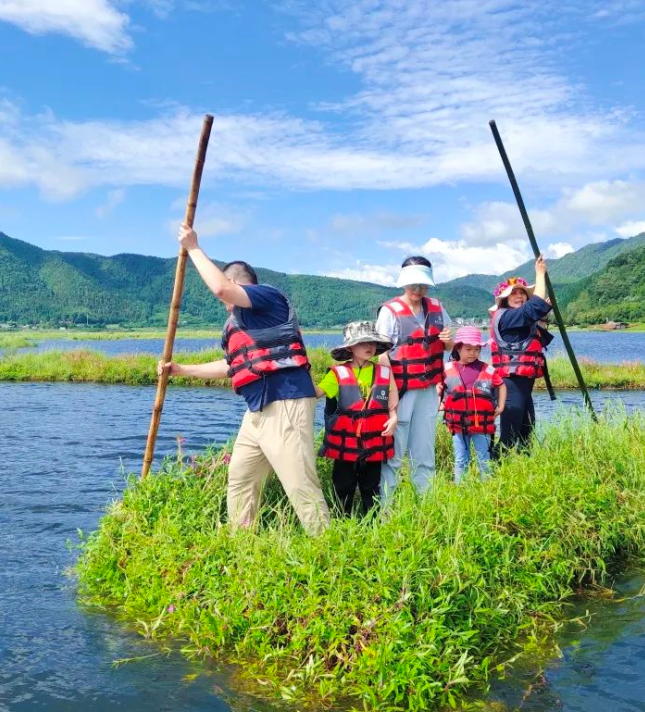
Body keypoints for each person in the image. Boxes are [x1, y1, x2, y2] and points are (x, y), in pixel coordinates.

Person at [158, 224, 330, 536]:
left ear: (237, 282)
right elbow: (232, 366)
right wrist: (182, 370)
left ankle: (327, 548)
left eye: (227, 285)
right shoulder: (235, 324)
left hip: (286, 401)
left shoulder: (268, 298)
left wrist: (193, 246)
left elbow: (221, 289)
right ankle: (241, 541)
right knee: (241, 478)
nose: (222, 299)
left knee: (300, 483)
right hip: (257, 410)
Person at [375, 256, 452, 500]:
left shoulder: (437, 308)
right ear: (403, 283)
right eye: (413, 284)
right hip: (400, 389)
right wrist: (392, 395)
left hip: (429, 389)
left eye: (422, 284)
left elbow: (449, 346)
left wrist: (449, 340)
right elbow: (381, 355)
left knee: (424, 451)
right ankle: (387, 509)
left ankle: (426, 504)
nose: (417, 290)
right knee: (393, 453)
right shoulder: (390, 311)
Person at [317, 321, 398, 517]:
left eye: (372, 342)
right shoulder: (337, 373)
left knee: (371, 488)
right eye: (363, 343)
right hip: (345, 447)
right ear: (350, 348)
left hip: (373, 443)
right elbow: (316, 392)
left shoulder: (384, 373)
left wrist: (394, 419)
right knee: (343, 487)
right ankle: (342, 522)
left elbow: (392, 405)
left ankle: (372, 524)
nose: (369, 346)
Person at [488, 256, 552, 449]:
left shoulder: (519, 320)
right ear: (505, 299)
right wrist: (540, 274)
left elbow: (538, 338)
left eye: (522, 293)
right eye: (513, 293)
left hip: (524, 387)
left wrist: (541, 320)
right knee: (509, 438)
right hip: (511, 384)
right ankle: (494, 472)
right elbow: (536, 306)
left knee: (526, 435)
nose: (519, 296)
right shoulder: (507, 316)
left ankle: (526, 474)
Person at [442, 326, 507, 484]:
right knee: (460, 459)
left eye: (477, 349)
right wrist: (440, 403)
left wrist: (501, 406)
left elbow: (502, 385)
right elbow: (440, 388)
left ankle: (486, 489)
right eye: (468, 349)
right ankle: (460, 490)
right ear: (458, 348)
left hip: (482, 426)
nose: (473, 353)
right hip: (458, 426)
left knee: (483, 458)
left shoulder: (488, 369)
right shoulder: (447, 369)